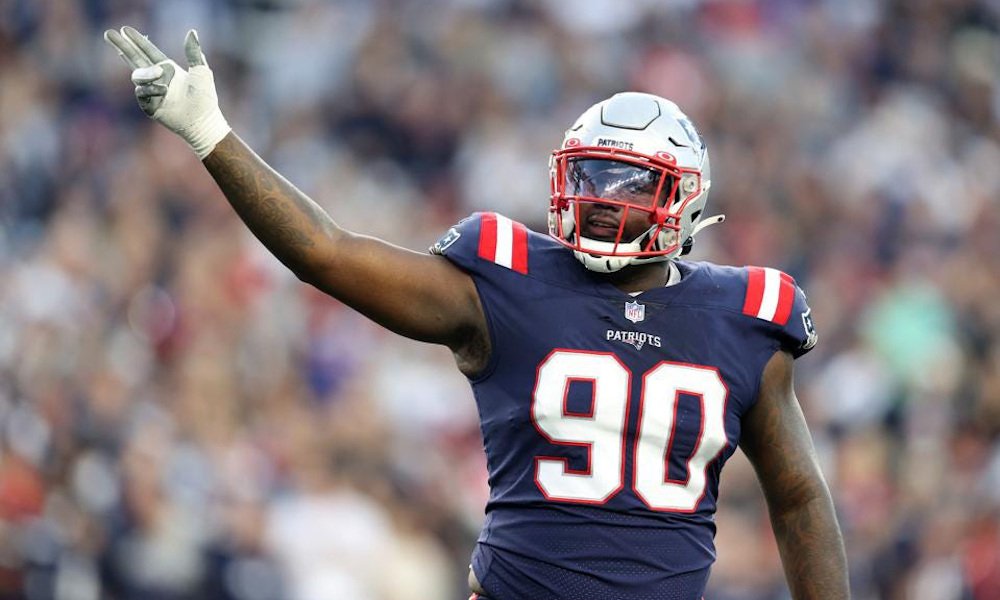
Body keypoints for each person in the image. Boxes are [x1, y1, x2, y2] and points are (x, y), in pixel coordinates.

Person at [104, 26, 849, 600]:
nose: (602, 198)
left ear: (684, 198)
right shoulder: (507, 280)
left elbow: (799, 496)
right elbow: (326, 254)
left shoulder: (744, 315)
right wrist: (211, 134)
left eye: (629, 183)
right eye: (590, 175)